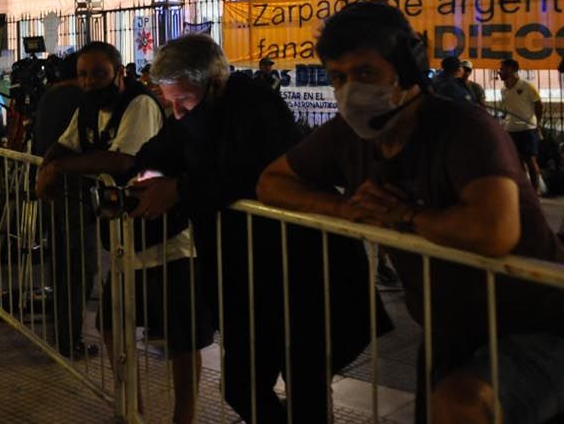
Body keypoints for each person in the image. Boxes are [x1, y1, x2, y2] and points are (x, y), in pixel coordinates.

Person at [257, 1, 564, 424]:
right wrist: (350, 209)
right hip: (447, 335)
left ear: (407, 66)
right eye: (338, 77)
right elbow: (272, 183)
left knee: (459, 407)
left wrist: (406, 217)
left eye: (365, 73)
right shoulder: (348, 137)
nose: (350, 89)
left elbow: (494, 230)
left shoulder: (465, 128)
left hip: (541, 328)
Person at [130, 33, 381, 424]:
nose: (177, 112)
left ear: (214, 83)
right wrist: (145, 176)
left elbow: (256, 173)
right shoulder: (191, 115)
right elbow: (159, 150)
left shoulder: (256, 105)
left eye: (185, 102)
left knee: (305, 388)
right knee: (241, 386)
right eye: (170, 103)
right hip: (246, 276)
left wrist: (179, 188)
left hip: (301, 269)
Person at [36, 42, 208, 424]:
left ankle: (185, 415)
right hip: (123, 241)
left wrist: (60, 169)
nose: (89, 81)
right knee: (113, 325)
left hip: (165, 238)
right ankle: (133, 407)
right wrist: (46, 166)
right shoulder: (87, 108)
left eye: (98, 73)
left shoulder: (140, 105)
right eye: (82, 74)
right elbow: (65, 142)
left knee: (181, 337)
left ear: (119, 73)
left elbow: (121, 160)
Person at [28, 52, 93, 358]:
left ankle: (62, 335)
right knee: (79, 269)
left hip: (50, 188)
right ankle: (69, 340)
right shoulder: (82, 99)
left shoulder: (48, 97)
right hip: (75, 191)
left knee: (61, 266)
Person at [498, 58, 547, 195]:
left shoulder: (527, 86)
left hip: (527, 129)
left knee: (531, 161)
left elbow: (539, 105)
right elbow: (508, 109)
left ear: (512, 70)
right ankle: (524, 191)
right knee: (517, 162)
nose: (499, 72)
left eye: (502, 69)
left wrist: (537, 123)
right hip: (510, 130)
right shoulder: (503, 90)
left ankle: (535, 190)